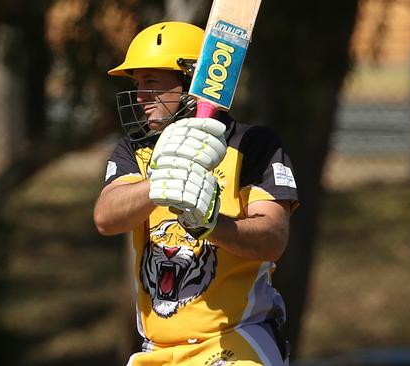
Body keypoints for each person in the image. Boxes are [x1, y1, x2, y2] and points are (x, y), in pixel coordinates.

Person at [94, 21, 299, 366]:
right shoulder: (136, 150)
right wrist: (161, 184)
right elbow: (106, 217)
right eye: (137, 83)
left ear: (192, 83)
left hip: (236, 338)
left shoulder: (253, 145)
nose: (140, 96)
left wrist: (211, 226)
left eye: (152, 82)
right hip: (157, 348)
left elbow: (273, 238)